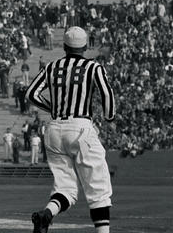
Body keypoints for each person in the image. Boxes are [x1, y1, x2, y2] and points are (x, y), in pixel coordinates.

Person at [25, 26, 116, 233]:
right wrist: (110, 117)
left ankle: (46, 215)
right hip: (80, 127)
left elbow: (31, 93)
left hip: (54, 128)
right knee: (98, 189)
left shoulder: (52, 66)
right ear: (85, 47)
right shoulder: (93, 67)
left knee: (65, 187)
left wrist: (52, 108)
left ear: (65, 46)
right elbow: (107, 95)